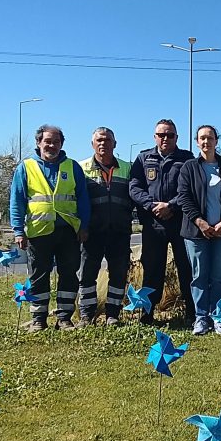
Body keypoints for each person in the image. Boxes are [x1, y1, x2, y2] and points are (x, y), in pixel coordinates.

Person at [9, 124, 90, 332]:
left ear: (62, 144)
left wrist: (84, 226)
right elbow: (17, 201)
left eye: (56, 142)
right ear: (39, 143)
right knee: (38, 276)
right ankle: (38, 319)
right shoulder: (25, 167)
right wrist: (18, 230)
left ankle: (64, 318)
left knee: (69, 274)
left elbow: (83, 199)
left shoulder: (72, 167)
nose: (51, 145)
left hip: (68, 231)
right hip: (38, 232)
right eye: (48, 141)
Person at [128, 119, 194, 324]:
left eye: (170, 135)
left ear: (177, 137)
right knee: (152, 269)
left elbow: (190, 188)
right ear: (155, 137)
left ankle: (192, 313)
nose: (166, 138)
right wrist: (151, 206)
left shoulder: (187, 158)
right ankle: (147, 314)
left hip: (180, 221)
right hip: (153, 223)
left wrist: (171, 206)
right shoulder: (143, 158)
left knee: (187, 268)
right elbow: (134, 186)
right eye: (161, 135)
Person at [177, 125, 221, 335]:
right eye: (202, 138)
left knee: (220, 277)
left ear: (216, 141)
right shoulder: (189, 167)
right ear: (197, 142)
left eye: (210, 138)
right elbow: (184, 198)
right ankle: (201, 318)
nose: (206, 142)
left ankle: (219, 317)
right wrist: (201, 222)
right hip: (197, 233)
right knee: (199, 276)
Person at [77, 127, 134, 327]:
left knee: (118, 274)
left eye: (107, 140)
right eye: (99, 140)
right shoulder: (81, 168)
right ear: (92, 144)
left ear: (115, 144)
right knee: (87, 274)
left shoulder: (128, 167)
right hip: (91, 232)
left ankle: (113, 315)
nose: (103, 144)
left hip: (119, 231)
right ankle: (86, 315)